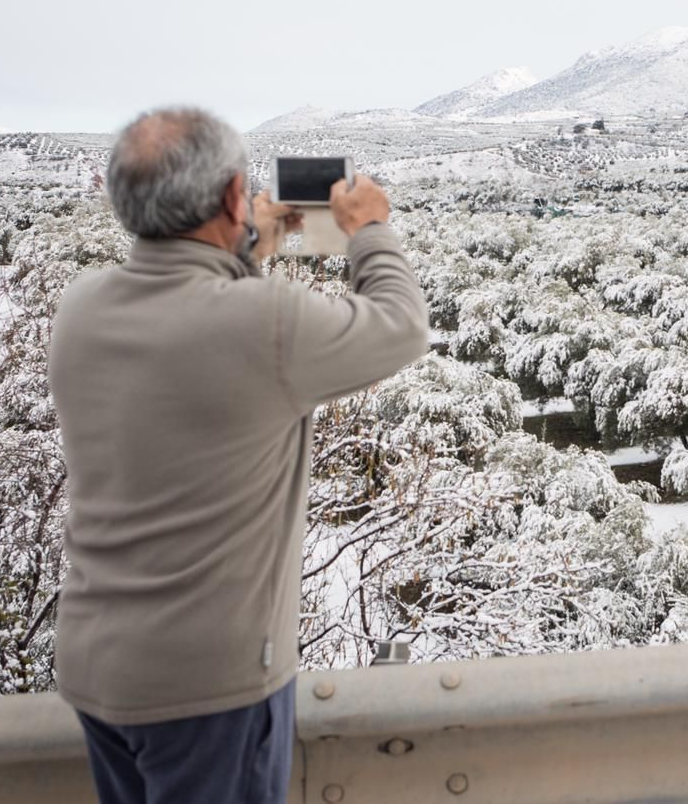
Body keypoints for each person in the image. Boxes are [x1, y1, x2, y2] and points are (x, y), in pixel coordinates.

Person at [47, 106, 429, 804]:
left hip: (97, 669)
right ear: (230, 196)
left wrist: (245, 245)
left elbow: (199, 318)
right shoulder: (264, 324)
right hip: (207, 688)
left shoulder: (81, 308)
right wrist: (369, 227)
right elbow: (401, 326)